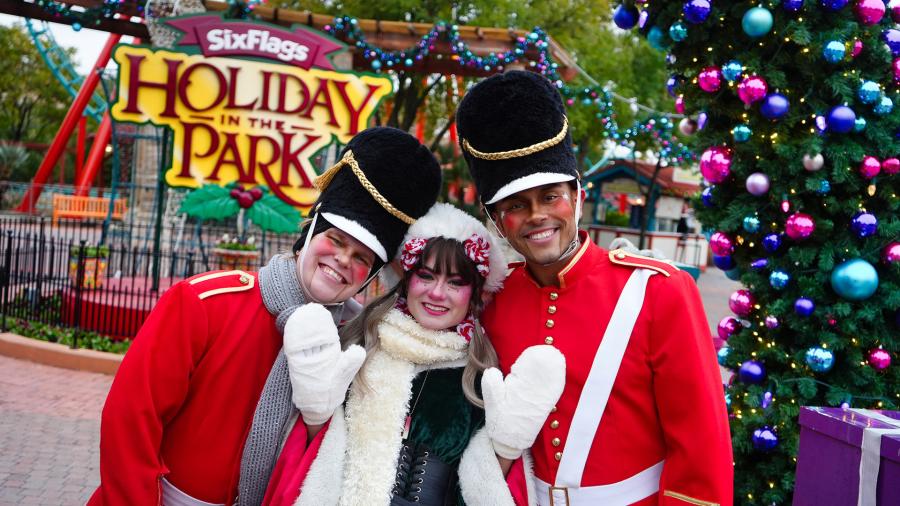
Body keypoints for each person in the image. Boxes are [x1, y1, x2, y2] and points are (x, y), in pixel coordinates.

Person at [88, 127, 443, 506]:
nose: (343, 260)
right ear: (309, 233)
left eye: (361, 258)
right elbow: (130, 420)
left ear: (369, 278)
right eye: (336, 240)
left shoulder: (356, 341)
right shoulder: (206, 302)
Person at [456, 70, 733, 506]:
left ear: (578, 196)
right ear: (496, 222)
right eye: (515, 205)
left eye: (551, 196)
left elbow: (701, 450)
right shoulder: (493, 301)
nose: (536, 216)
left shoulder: (661, 291)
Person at [255, 202, 566, 506]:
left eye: (456, 282)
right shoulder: (355, 347)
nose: (437, 293)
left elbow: (483, 488)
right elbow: (306, 460)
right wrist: (314, 413)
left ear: (475, 294)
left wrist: (507, 447)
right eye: (426, 275)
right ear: (407, 280)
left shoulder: (482, 379)